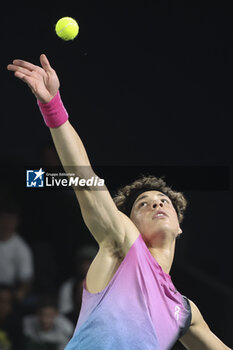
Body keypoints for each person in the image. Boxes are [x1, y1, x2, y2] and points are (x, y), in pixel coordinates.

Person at [7, 55, 231, 350]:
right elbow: (85, 179)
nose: (155, 204)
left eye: (163, 201)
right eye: (143, 204)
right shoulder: (124, 245)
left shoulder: (185, 311)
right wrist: (52, 105)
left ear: (179, 226)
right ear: (128, 222)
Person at [0, 198, 34, 304]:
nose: (7, 224)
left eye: (11, 220)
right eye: (4, 219)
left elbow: (26, 280)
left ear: (16, 222)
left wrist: (18, 296)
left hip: (8, 291)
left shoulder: (21, 248)